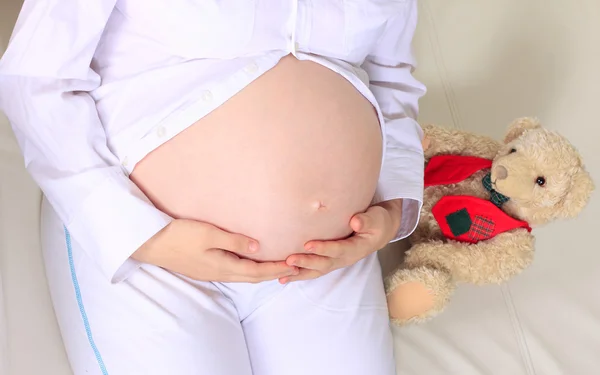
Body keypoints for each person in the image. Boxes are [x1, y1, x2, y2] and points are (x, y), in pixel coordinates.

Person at [0, 1, 426, 374]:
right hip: (151, 253)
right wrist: (142, 236)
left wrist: (389, 210)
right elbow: (36, 78)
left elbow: (392, 80)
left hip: (326, 262)